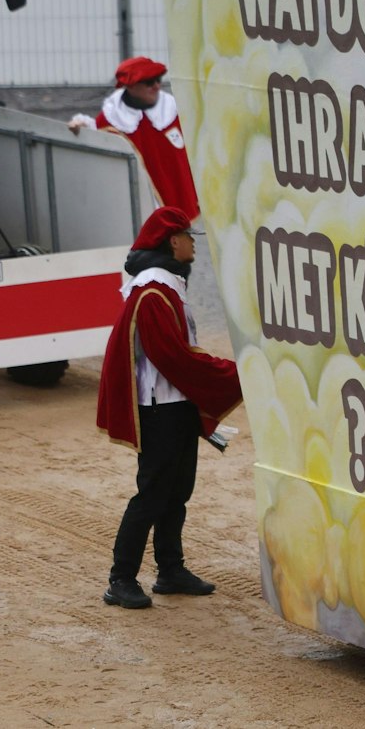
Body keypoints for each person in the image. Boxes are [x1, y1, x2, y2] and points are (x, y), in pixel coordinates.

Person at [97, 206, 243, 609]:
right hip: (159, 410)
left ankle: (170, 570)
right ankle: (121, 579)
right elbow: (172, 356)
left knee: (177, 492)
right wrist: (234, 373)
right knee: (152, 495)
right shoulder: (153, 292)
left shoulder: (163, 287)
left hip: (175, 407)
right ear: (173, 241)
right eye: (188, 236)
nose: (193, 243)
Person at [69, 56, 201, 221]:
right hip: (144, 211)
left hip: (184, 200)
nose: (156, 86)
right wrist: (83, 128)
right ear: (131, 86)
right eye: (149, 82)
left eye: (158, 80)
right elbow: (98, 140)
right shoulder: (114, 118)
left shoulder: (174, 110)